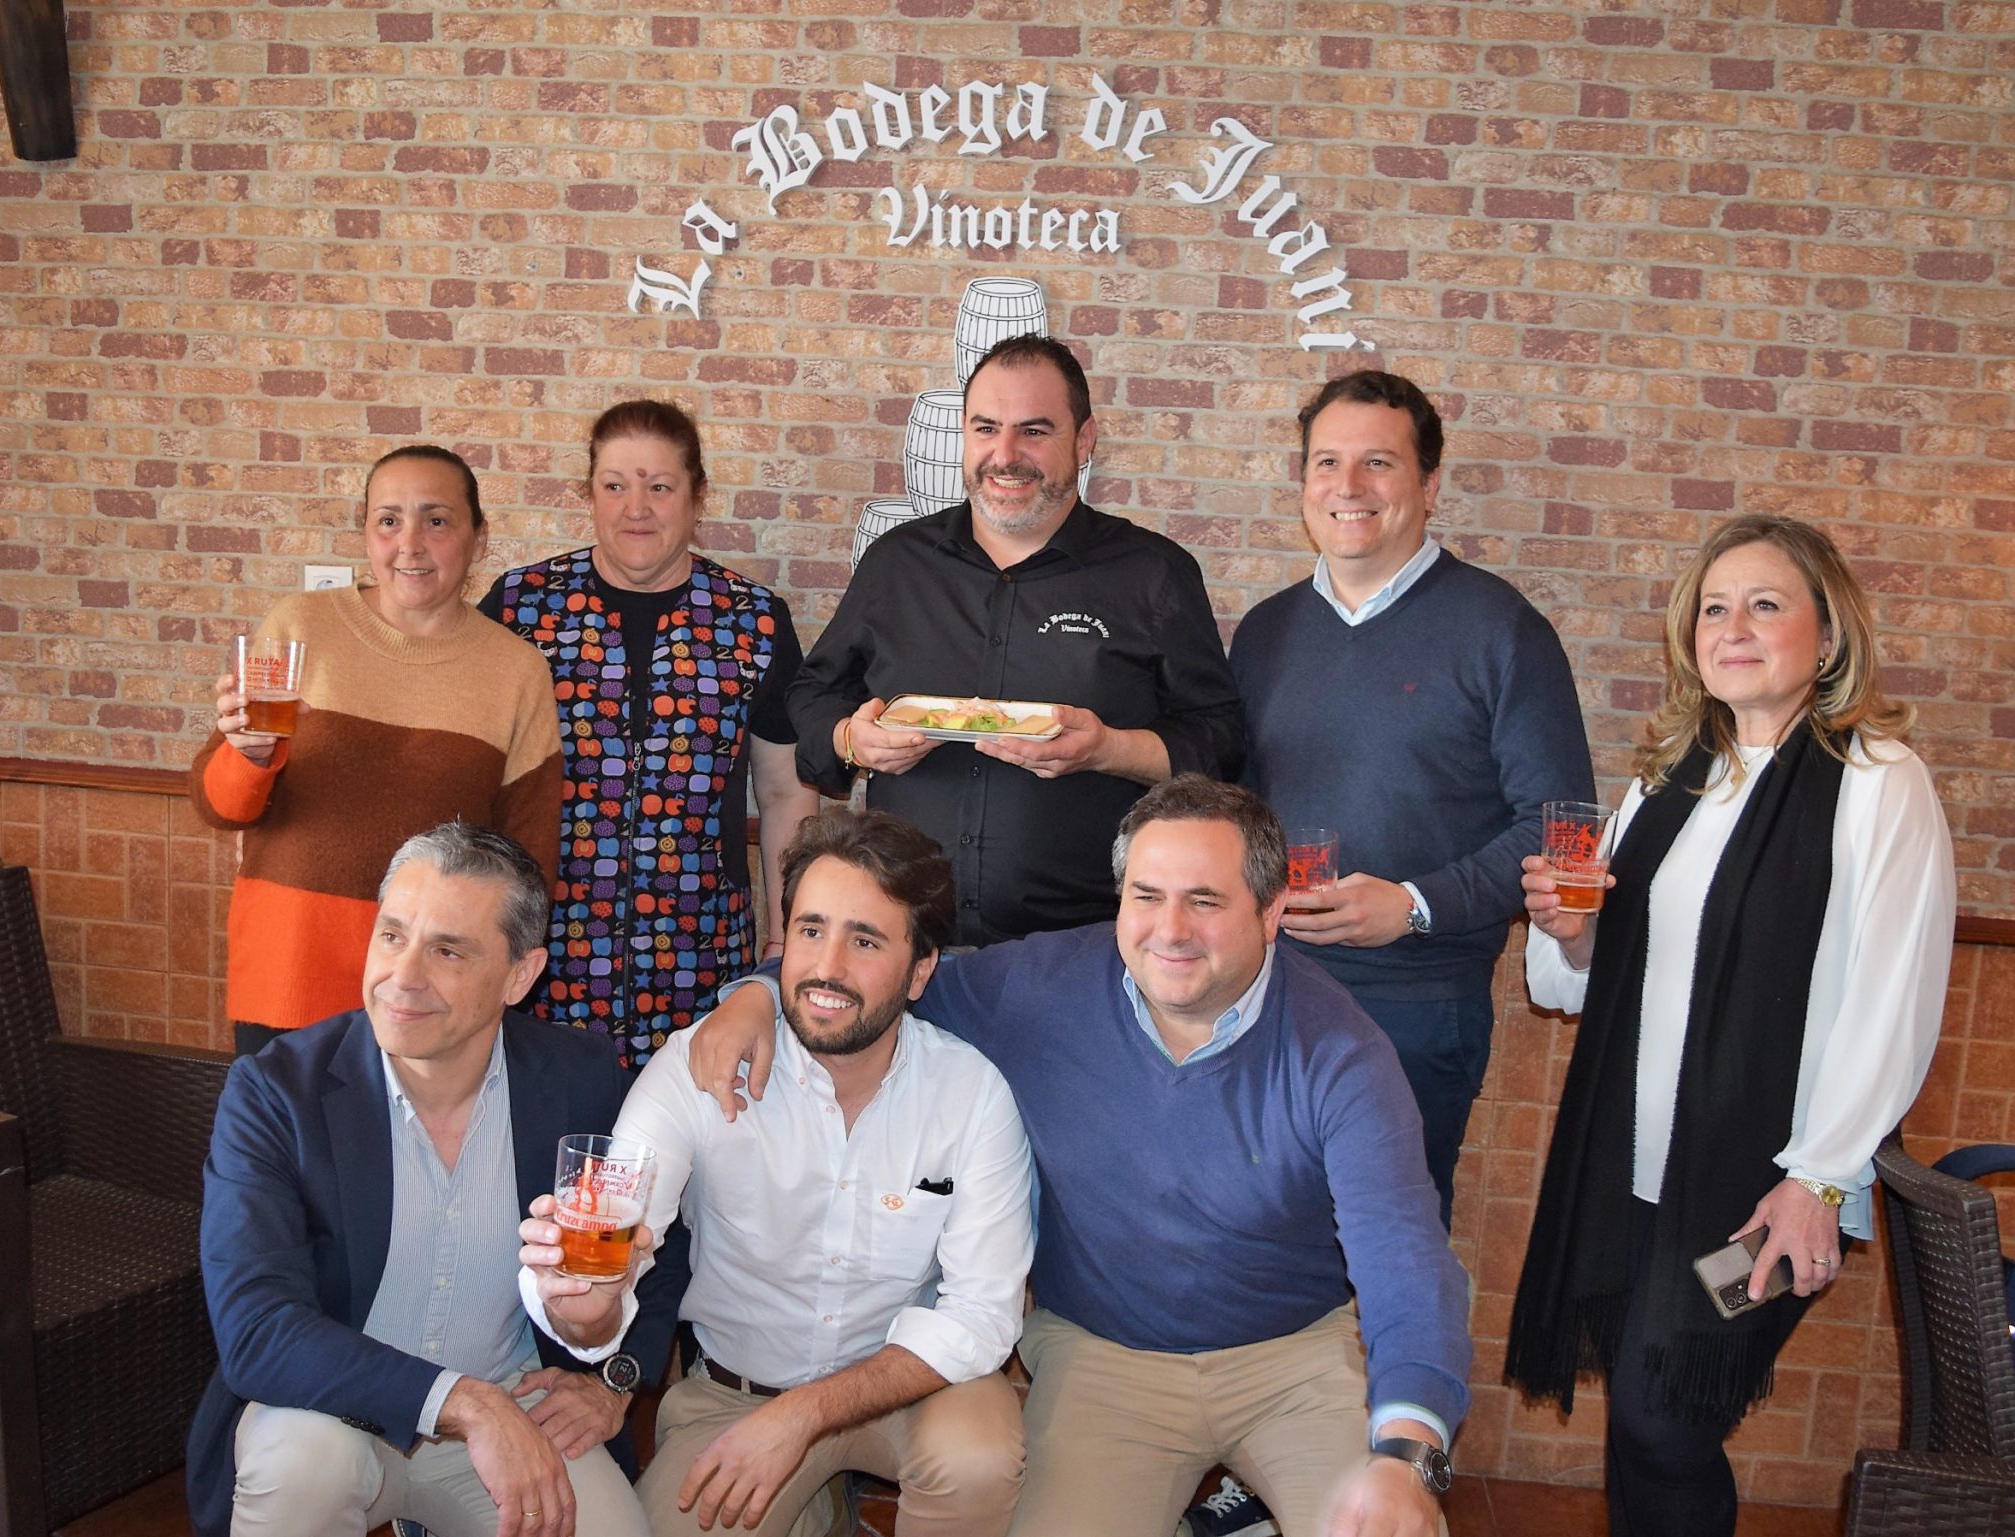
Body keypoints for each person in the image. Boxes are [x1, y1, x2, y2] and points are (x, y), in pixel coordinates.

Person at [691, 776, 1470, 1537]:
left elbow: (1406, 1260)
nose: (1169, 928)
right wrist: (753, 993)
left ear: (1272, 912)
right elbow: (875, 974)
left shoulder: (1341, 1051)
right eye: (1146, 895)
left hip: (1290, 1352)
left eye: (1205, 900)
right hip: (1106, 1347)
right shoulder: (1043, 986)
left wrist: (1407, 1458)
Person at [1502, 515, 1954, 1537]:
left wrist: (1818, 1178)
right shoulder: (1668, 777)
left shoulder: (1877, 782)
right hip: (1637, 1165)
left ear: (1827, 634)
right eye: (1713, 607)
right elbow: (1579, 982)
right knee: (1641, 1412)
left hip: (1773, 1185)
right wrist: (1569, 929)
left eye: (1764, 604)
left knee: (1665, 1414)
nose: (1733, 628)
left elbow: (1894, 999)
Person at [523, 807, 1033, 1537]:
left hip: (903, 1389)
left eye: (865, 940)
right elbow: (614, 1240)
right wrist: (586, 1308)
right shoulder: (696, 1069)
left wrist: (804, 1417)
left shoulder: (972, 1094)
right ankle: (808, 1506)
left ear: (920, 971)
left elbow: (984, 1314)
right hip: (736, 1396)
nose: (827, 966)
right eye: (810, 930)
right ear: (781, 939)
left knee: (980, 1450)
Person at [188, 823, 682, 1537]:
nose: (402, 976)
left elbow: (662, 1237)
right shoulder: (275, 1092)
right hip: (337, 1417)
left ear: (521, 974)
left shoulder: (577, 1077)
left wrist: (616, 1377)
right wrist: (466, 1404)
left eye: (448, 950)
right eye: (392, 934)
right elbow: (256, 1331)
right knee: (295, 1462)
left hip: (514, 1402)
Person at [1230, 369, 1591, 1232]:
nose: (1347, 486)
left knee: (1389, 1242)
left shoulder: (1502, 631)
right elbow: (1233, 810)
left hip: (1416, 1007)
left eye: (1379, 463)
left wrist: (1415, 904)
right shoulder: (1265, 632)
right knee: (1257, 1236)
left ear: (1429, 485)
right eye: (1327, 462)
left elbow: (1557, 833)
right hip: (1265, 992)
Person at [788, 333, 1244, 946]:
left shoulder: (1153, 573)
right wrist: (852, 738)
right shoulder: (898, 563)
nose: (1005, 455)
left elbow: (1219, 740)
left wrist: (1106, 749)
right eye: (986, 429)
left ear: (1083, 440)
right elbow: (813, 694)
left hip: (1081, 946)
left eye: (1034, 431)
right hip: (904, 939)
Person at [192, 446, 564, 1056]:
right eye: (388, 520)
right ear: (365, 532)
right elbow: (221, 807)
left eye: (436, 520)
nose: (410, 544)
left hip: (430, 995)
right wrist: (249, 756)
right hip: (289, 974)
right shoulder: (300, 627)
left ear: (479, 538)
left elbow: (529, 855)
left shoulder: (516, 670)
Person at [481, 400, 818, 1069]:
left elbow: (786, 794)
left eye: (660, 487)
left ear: (697, 498)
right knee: (550, 1123)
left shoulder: (753, 621)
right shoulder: (521, 608)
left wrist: (782, 949)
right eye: (614, 485)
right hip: (542, 956)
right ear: (588, 494)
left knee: (692, 1126)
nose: (636, 508)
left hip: (701, 952)